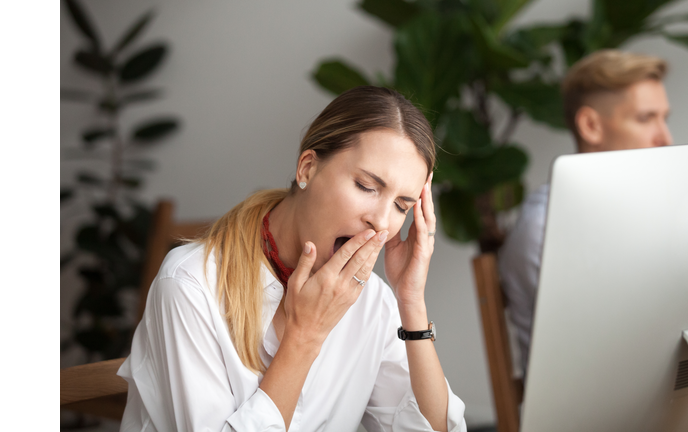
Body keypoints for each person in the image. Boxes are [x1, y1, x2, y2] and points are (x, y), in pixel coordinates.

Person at [117, 86, 467, 432]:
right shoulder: (189, 284)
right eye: (365, 186)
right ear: (308, 169)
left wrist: (411, 302)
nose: (381, 220)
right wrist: (305, 336)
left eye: (401, 206)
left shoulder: (372, 300)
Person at [498, 50, 673, 383]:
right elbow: (608, 356)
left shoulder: (654, 214)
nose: (665, 138)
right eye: (645, 118)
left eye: (665, 118)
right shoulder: (546, 228)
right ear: (591, 125)